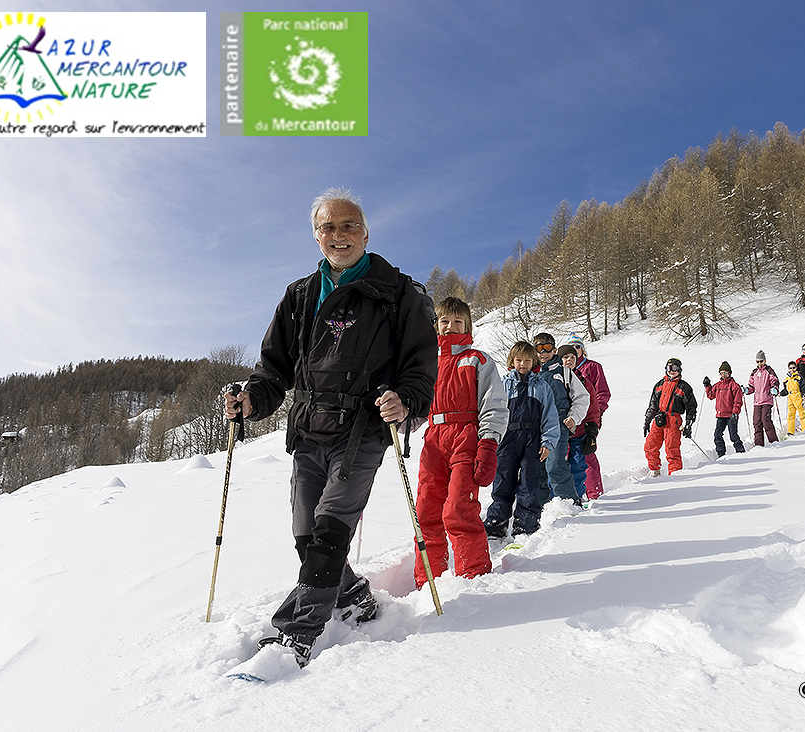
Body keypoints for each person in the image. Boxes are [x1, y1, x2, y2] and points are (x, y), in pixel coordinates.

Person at [224, 187, 437, 669]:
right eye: (328, 227)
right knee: (305, 533)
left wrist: (407, 401)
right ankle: (356, 596)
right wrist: (252, 399)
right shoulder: (299, 295)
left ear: (365, 232)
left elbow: (422, 367)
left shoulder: (399, 293)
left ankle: (295, 634)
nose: (338, 236)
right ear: (315, 235)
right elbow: (273, 368)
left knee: (328, 531)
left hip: (363, 428)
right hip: (308, 428)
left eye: (348, 226)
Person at [412, 297, 507, 588]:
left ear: (467, 325)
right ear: (436, 326)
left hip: (466, 434)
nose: (451, 326)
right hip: (433, 439)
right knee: (427, 511)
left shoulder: (476, 359)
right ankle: (428, 580)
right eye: (445, 321)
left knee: (458, 508)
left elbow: (495, 404)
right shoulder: (426, 363)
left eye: (458, 321)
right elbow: (415, 406)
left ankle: (473, 576)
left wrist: (488, 443)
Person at [484, 342, 560, 538]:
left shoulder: (541, 386)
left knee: (529, 483)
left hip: (532, 439)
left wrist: (547, 442)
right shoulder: (502, 384)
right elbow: (493, 411)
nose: (523, 364)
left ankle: (525, 526)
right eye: (519, 360)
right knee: (502, 482)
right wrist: (491, 438)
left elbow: (550, 417)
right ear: (512, 361)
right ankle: (496, 525)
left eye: (527, 360)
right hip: (506, 439)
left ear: (533, 361)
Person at [533, 332, 589, 507]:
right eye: (539, 349)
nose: (543, 353)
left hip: (557, 424)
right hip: (534, 426)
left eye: (547, 348)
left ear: (554, 349)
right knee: (536, 468)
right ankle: (540, 507)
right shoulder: (529, 372)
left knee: (555, 464)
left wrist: (574, 417)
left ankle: (569, 503)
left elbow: (582, 397)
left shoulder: (564, 373)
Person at [564, 334, 610, 500]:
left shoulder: (592, 367)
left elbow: (602, 392)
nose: (574, 351)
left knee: (587, 456)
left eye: (577, 347)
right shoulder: (561, 371)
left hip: (587, 421)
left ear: (582, 349)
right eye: (570, 349)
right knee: (568, 458)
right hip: (566, 423)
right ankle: (571, 496)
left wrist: (597, 415)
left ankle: (594, 494)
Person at [559, 344, 601, 500]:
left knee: (579, 467)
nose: (569, 360)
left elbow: (593, 408)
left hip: (579, 433)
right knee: (557, 469)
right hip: (558, 434)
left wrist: (592, 431)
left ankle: (578, 498)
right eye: (565, 357)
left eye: (572, 357)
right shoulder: (554, 379)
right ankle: (556, 501)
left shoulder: (583, 381)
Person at [643, 358, 696, 476]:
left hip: (674, 420)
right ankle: (655, 470)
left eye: (675, 368)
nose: (672, 371)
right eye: (669, 368)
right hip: (659, 419)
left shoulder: (684, 387)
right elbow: (653, 405)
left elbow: (691, 408)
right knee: (650, 446)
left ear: (679, 369)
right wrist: (647, 420)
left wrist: (688, 424)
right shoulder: (659, 385)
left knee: (672, 449)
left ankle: (675, 475)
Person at [702, 361, 745, 457]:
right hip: (720, 415)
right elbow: (710, 396)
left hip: (731, 415)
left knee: (733, 435)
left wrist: (735, 413)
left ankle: (741, 452)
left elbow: (738, 402)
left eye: (725, 373)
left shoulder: (734, 386)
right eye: (721, 373)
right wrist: (708, 385)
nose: (723, 375)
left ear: (729, 373)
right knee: (717, 435)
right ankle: (721, 454)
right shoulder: (717, 386)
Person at [742, 350, 780, 446]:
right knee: (756, 422)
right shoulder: (754, 372)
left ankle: (774, 441)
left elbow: (775, 381)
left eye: (761, 361)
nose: (759, 363)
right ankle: (759, 445)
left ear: (765, 361)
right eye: (757, 361)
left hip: (767, 400)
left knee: (765, 420)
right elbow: (751, 386)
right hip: (757, 402)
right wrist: (747, 390)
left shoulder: (769, 370)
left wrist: (774, 388)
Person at [778, 361, 805, 435]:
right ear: (788, 368)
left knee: (802, 414)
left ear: (796, 368)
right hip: (790, 398)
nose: (792, 369)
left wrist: (804, 397)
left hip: (798, 397)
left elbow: (804, 388)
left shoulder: (799, 378)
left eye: (794, 368)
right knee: (790, 415)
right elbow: (786, 390)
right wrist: (780, 394)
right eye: (790, 368)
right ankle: (790, 431)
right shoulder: (786, 379)